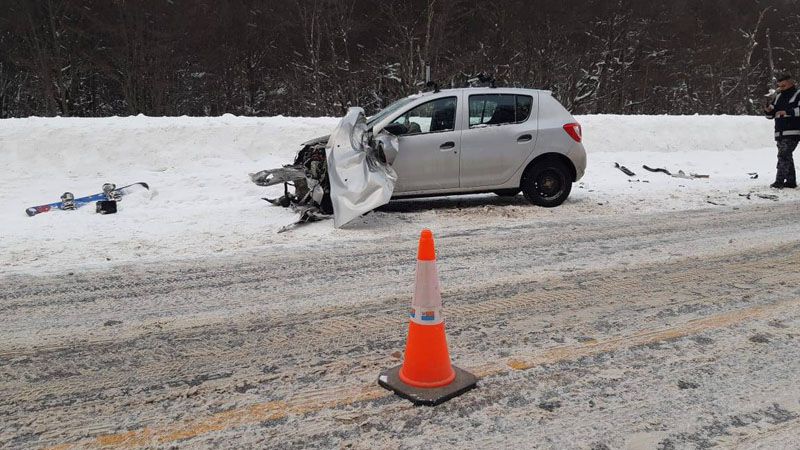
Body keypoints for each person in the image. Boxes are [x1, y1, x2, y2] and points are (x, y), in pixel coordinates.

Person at [764, 73, 800, 188]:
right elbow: (771, 115)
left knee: (783, 155)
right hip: (779, 132)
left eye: (783, 86)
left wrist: (787, 112)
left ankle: (779, 181)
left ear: (791, 83)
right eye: (779, 86)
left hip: (793, 131)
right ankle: (790, 182)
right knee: (786, 155)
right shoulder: (778, 97)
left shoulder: (798, 94)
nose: (780, 88)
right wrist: (768, 110)